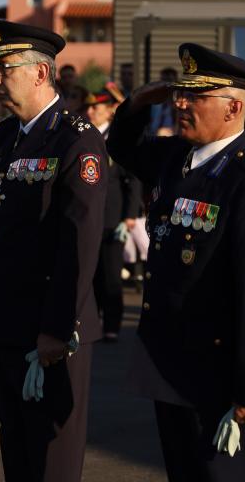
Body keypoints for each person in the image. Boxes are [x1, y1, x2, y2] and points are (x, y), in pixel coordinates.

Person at [109, 43, 245, 482]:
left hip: (220, 380)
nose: (181, 103)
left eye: (196, 96)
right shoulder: (177, 159)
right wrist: (136, 102)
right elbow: (121, 145)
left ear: (232, 107)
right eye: (181, 93)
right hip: (172, 367)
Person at [0, 19, 107, 481]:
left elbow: (80, 243)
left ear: (39, 73)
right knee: (16, 449)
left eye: (2, 69)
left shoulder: (76, 139)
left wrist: (57, 327)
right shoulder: (7, 135)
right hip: (3, 321)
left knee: (51, 457)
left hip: (47, 327)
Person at [85, 88, 142, 341]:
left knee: (111, 276)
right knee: (91, 274)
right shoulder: (85, 136)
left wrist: (129, 215)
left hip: (112, 217)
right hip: (88, 217)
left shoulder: (117, 138)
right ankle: (92, 322)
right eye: (89, 108)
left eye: (95, 108)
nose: (90, 112)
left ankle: (112, 325)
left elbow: (133, 178)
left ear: (109, 110)